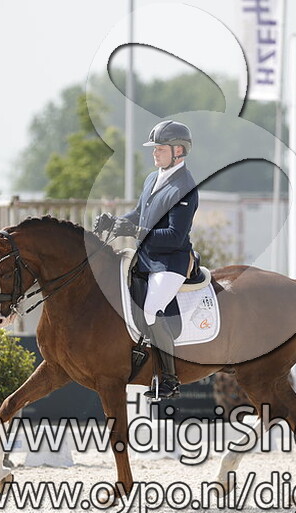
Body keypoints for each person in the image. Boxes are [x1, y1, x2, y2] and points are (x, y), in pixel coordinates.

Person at [95, 120, 198, 399]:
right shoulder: (153, 178)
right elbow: (139, 213)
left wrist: (136, 231)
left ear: (178, 151)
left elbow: (174, 236)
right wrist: (115, 222)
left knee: (152, 309)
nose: (154, 153)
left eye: (160, 149)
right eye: (155, 148)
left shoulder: (185, 187)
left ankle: (170, 380)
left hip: (170, 262)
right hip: (145, 256)